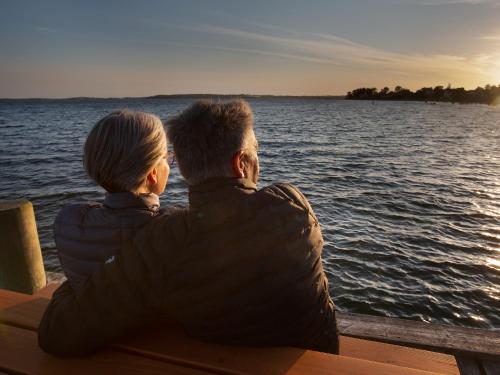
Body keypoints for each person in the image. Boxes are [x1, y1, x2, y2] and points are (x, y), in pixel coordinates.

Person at [38, 99, 339, 357]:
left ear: (182, 167)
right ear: (240, 164)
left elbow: (58, 334)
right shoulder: (292, 205)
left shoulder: (166, 239)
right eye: (255, 151)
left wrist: (73, 285)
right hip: (320, 357)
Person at [55, 110, 173, 288]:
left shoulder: (67, 222)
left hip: (92, 314)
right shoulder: (173, 228)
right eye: (166, 157)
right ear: (152, 173)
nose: (170, 162)